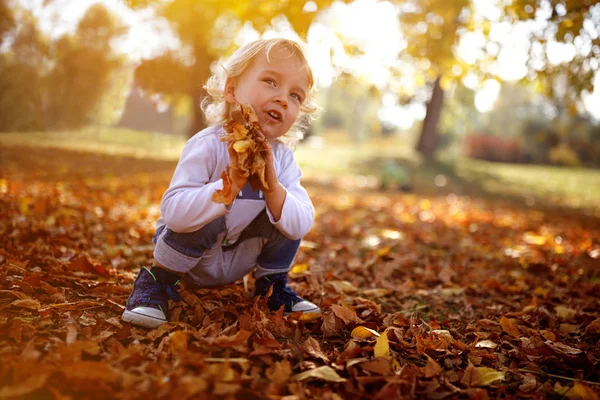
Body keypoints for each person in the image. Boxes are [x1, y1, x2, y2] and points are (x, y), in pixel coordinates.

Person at [121, 38, 321, 329]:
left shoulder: (284, 160)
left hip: (238, 257)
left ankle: (271, 287)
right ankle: (156, 283)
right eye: (270, 81)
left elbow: (302, 222)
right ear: (231, 89)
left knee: (287, 211)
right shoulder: (207, 145)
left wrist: (274, 189)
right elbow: (174, 213)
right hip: (188, 260)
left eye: (295, 96)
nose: (282, 98)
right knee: (212, 210)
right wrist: (228, 186)